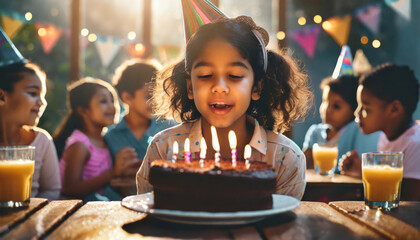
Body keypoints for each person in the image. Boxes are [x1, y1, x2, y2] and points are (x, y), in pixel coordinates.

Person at [136, 16, 312, 200]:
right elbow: (148, 209)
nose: (219, 87)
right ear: (190, 87)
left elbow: (281, 224)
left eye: (234, 75)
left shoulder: (285, 159)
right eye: (205, 75)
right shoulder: (164, 149)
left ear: (257, 87)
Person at [341, 63, 420, 200]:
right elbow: (389, 185)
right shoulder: (384, 136)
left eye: (365, 108)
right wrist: (362, 172)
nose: (356, 113)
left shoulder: (415, 145)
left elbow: (408, 202)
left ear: (394, 109)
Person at [53, 78, 135, 201]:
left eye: (112, 100)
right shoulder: (80, 145)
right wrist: (112, 173)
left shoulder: (105, 140)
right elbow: (70, 188)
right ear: (83, 111)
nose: (111, 106)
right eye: (103, 101)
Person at [0, 62, 61, 200]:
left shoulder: (42, 141)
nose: (42, 102)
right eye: (33, 93)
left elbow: (52, 190)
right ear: (2, 96)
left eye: (43, 95)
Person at [104, 59, 176, 163]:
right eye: (149, 96)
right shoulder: (111, 137)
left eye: (159, 95)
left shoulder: (170, 128)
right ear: (127, 97)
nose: (156, 102)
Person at [302, 75, 380, 170]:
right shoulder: (315, 132)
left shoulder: (356, 130)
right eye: (325, 101)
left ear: (353, 110)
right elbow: (305, 166)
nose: (327, 109)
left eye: (336, 106)